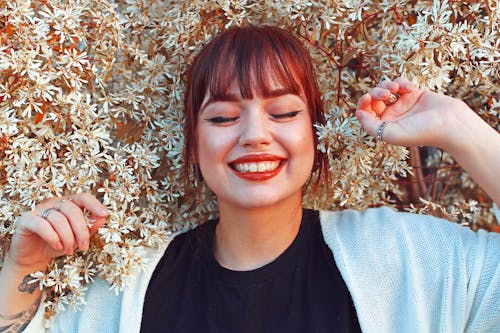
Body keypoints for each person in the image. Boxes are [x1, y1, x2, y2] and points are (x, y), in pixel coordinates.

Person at [1, 25, 499, 333]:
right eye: (221, 118)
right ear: (194, 146)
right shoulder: (128, 291)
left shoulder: (402, 259)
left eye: (283, 113)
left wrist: (458, 127)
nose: (254, 135)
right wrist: (20, 267)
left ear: (316, 134)